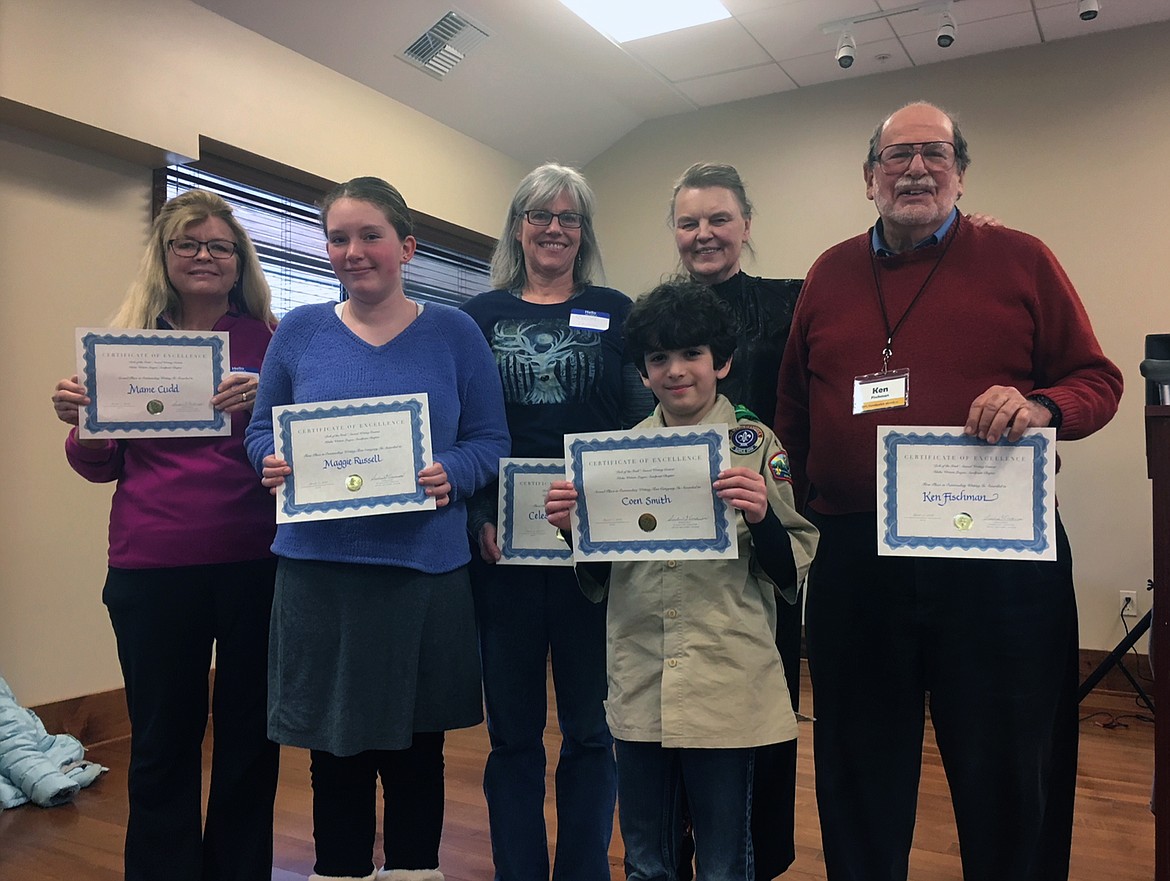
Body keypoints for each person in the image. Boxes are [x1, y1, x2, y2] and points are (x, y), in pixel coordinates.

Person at [775, 101, 1124, 881]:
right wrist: (800, 517)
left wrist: (1042, 407)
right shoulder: (829, 273)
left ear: (960, 172)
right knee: (858, 762)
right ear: (869, 178)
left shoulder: (1021, 258)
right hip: (859, 559)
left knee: (1010, 764)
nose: (915, 169)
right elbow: (795, 411)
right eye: (897, 156)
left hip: (997, 558)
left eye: (933, 153)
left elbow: (1097, 381)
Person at [244, 176, 510, 881]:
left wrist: (452, 469)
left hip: (422, 571)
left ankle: (415, 870)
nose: (353, 250)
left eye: (371, 236)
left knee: (416, 748)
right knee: (332, 748)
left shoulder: (454, 331)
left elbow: (491, 438)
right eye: (339, 237)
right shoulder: (299, 329)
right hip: (319, 573)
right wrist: (267, 460)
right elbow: (259, 429)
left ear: (407, 247)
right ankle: (338, 869)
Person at [546, 279, 818, 881]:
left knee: (726, 860)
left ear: (720, 362)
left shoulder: (753, 445)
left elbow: (794, 560)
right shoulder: (614, 458)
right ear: (643, 373)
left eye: (691, 354)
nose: (675, 370)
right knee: (646, 858)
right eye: (658, 358)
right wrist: (575, 530)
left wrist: (762, 515)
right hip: (642, 676)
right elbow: (600, 577)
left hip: (726, 681)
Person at [50, 190, 280, 881]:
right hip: (151, 569)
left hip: (258, 566)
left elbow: (301, 451)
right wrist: (83, 421)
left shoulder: (273, 340)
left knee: (250, 739)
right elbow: (98, 466)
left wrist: (269, 394)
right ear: (166, 256)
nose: (205, 256)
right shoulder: (126, 343)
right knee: (160, 742)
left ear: (239, 260)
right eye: (189, 244)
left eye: (219, 245)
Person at [460, 163, 652, 881]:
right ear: (518, 226)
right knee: (512, 735)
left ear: (584, 232)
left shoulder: (615, 309)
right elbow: (464, 425)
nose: (554, 228)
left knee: (589, 731)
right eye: (541, 215)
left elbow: (640, 419)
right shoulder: (478, 316)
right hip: (502, 549)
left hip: (591, 552)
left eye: (569, 218)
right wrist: (479, 512)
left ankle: (580, 871)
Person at [669, 163, 803, 880]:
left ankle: (750, 863)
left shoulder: (794, 301)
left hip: (762, 545)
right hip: (671, 557)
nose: (704, 234)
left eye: (718, 218)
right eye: (689, 222)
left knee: (756, 725)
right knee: (671, 727)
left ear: (746, 224)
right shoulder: (656, 313)